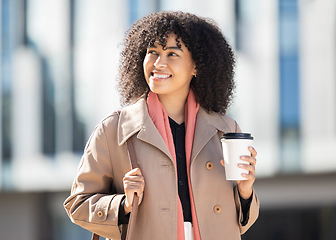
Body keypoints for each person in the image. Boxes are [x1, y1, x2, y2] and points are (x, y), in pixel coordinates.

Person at [64, 11, 259, 240]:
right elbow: (77, 204)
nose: (159, 63)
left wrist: (245, 191)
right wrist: (124, 204)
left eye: (172, 54)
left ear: (196, 66)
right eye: (152, 52)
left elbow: (240, 223)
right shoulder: (114, 130)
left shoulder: (226, 130)